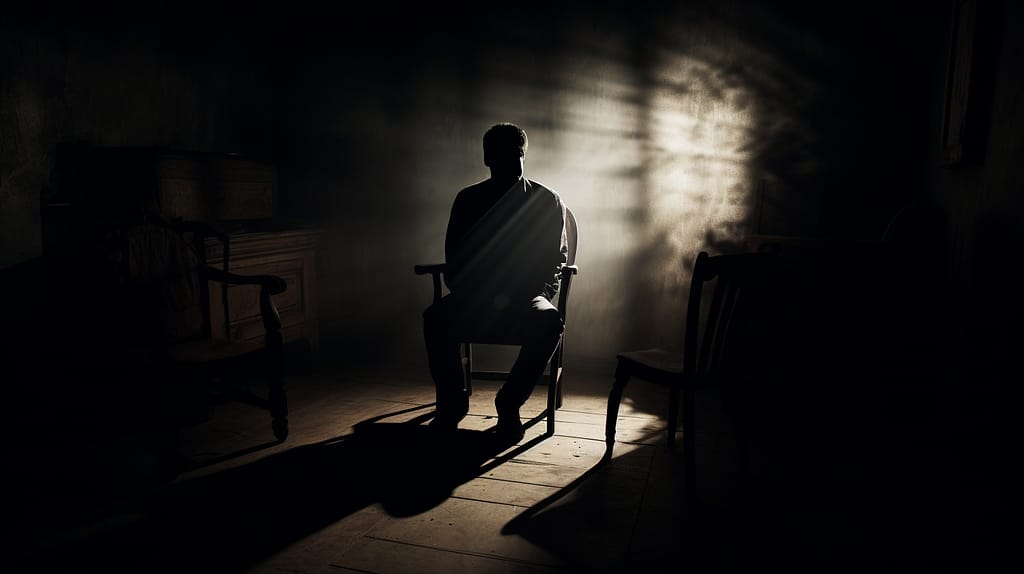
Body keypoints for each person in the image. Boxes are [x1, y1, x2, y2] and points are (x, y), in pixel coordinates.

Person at [423, 123, 568, 443]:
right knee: (434, 317)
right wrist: (470, 291)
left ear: (524, 156)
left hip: (528, 294)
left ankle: (509, 401)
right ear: (488, 159)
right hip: (476, 294)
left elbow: (556, 259)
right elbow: (455, 256)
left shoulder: (547, 200)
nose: (510, 167)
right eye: (502, 159)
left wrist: (540, 292)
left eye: (515, 158)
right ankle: (452, 400)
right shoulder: (468, 199)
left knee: (549, 321)